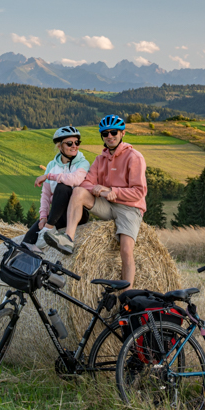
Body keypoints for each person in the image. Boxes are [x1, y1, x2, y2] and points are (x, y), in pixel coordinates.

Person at [45, 114, 147, 288]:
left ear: (122, 133)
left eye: (113, 132)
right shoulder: (100, 159)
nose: (110, 136)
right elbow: (86, 182)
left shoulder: (134, 157)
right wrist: (97, 189)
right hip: (107, 205)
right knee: (78, 191)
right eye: (105, 133)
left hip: (129, 208)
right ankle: (68, 239)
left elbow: (139, 192)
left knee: (125, 251)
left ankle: (127, 296)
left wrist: (112, 191)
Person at [23, 126, 91, 249]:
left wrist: (49, 176)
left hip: (76, 213)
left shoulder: (83, 163)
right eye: (69, 143)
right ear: (59, 147)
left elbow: (74, 179)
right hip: (55, 213)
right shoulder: (52, 165)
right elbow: (45, 194)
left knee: (63, 187)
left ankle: (49, 229)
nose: (74, 146)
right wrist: (43, 217)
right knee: (27, 240)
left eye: (77, 142)